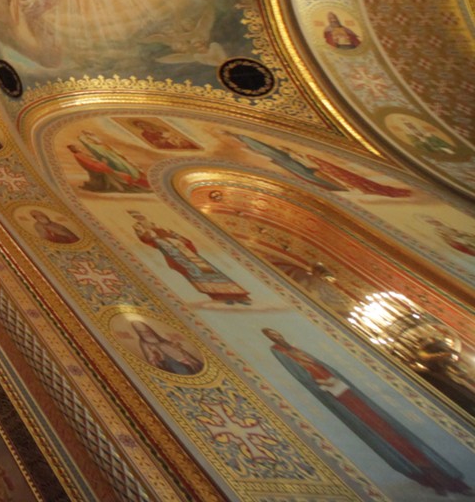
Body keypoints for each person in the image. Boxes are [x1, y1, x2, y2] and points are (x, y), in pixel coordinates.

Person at [264, 328, 469, 495]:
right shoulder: (279, 351)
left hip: (345, 389)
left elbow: (322, 366)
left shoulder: (296, 348)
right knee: (374, 431)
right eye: (273, 336)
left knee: (389, 427)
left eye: (277, 333)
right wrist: (320, 384)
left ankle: (446, 477)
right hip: (334, 395)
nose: (277, 336)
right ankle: (426, 476)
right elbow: (300, 374)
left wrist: (336, 378)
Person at [131, 212, 251, 304]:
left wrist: (181, 239)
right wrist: (152, 235)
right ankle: (219, 296)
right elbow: (145, 238)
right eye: (138, 217)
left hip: (183, 250)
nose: (141, 219)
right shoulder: (139, 228)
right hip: (172, 252)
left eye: (141, 217)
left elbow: (176, 235)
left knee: (210, 271)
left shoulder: (158, 226)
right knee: (193, 273)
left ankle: (238, 295)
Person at [130, 320, 203, 375]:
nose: (147, 334)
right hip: (166, 361)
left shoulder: (159, 338)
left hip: (177, 356)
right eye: (143, 332)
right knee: (180, 370)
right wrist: (155, 356)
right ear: (139, 333)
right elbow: (150, 357)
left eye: (147, 331)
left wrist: (175, 346)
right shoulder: (144, 343)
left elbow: (170, 345)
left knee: (190, 366)